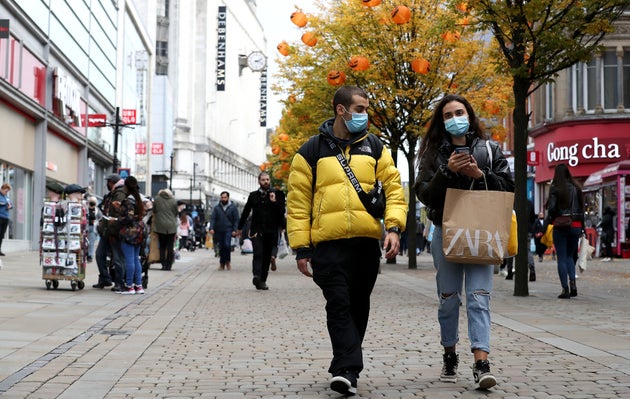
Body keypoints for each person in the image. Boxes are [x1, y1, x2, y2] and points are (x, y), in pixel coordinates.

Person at [287, 85, 407, 396]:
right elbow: (298, 203)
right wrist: (301, 247)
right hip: (328, 244)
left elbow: (394, 189)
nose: (365, 116)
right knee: (338, 303)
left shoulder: (375, 147)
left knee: (358, 305)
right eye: (360, 109)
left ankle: (345, 365)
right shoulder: (310, 151)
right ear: (341, 110)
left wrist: (393, 227)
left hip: (366, 243)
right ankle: (346, 369)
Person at [414, 94, 514, 389]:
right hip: (446, 232)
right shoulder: (433, 153)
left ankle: (481, 363)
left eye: (459, 112)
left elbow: (509, 188)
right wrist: (448, 171)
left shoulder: (489, 149)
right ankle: (449, 353)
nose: (455, 118)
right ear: (441, 122)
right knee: (448, 299)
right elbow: (424, 194)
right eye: (448, 115)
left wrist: (480, 175)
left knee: (479, 297)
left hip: (483, 229)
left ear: (469, 116)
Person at [237, 172, 286, 291]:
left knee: (266, 256)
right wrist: (239, 227)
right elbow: (246, 211)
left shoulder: (278, 194)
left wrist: (274, 202)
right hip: (257, 230)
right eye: (263, 180)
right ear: (259, 181)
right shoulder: (253, 195)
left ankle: (262, 280)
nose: (266, 182)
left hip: (272, 230)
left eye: (267, 179)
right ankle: (256, 276)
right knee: (258, 253)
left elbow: (281, 212)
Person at [544, 163, 584, 298]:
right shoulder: (577, 187)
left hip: (561, 225)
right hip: (576, 225)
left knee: (561, 257)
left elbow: (553, 209)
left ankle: (565, 289)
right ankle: (573, 283)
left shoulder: (556, 188)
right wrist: (582, 227)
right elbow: (582, 210)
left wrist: (549, 220)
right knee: (570, 256)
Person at [94, 174, 127, 291]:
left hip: (114, 231)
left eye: (108, 182)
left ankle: (119, 282)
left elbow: (119, 211)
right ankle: (105, 278)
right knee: (99, 255)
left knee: (117, 258)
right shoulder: (112, 193)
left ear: (112, 182)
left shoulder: (120, 193)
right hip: (106, 230)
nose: (106, 184)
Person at [118, 176, 146, 295]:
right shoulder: (138, 199)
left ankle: (129, 286)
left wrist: (118, 218)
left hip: (129, 233)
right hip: (139, 232)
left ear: (126, 186)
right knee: (136, 259)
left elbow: (128, 218)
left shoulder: (128, 201)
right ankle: (138, 286)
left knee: (129, 260)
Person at [209, 191, 239, 270]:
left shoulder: (233, 207)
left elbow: (236, 220)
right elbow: (213, 219)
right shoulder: (217, 208)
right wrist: (211, 228)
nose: (223, 199)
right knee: (221, 246)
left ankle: (227, 262)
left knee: (227, 245)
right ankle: (222, 263)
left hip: (229, 229)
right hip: (219, 230)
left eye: (225, 197)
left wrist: (235, 230)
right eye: (222, 197)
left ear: (228, 198)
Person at [152, 189, 179, 270]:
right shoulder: (173, 200)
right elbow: (176, 212)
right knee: (170, 246)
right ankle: (169, 265)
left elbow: (154, 210)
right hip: (171, 226)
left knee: (162, 246)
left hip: (160, 226)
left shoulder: (157, 199)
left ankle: (163, 264)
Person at [86, 196, 101, 262]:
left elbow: (101, 218)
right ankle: (85, 253)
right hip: (85, 228)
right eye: (91, 202)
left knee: (91, 243)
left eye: (93, 202)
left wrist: (96, 222)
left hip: (93, 228)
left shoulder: (97, 210)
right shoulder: (85, 209)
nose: (92, 203)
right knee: (84, 242)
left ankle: (90, 255)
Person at [0, 183, 13, 256]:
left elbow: (11, 205)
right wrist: (5, 204)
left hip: (5, 217)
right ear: (2, 189)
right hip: (0, 216)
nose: (6, 192)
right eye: (6, 191)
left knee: (2, 235)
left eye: (7, 191)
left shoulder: (7, 197)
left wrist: (10, 206)